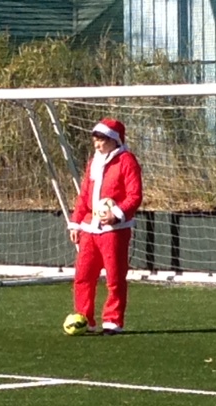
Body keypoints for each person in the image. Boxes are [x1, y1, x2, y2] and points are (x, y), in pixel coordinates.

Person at [68, 118, 143, 335]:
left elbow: (135, 195)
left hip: (115, 231)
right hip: (89, 229)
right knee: (83, 276)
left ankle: (112, 321)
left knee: (115, 277)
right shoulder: (94, 161)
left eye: (102, 140)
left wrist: (116, 214)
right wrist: (76, 223)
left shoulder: (127, 161)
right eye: (95, 140)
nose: (97, 144)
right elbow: (85, 194)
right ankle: (84, 319)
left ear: (114, 140)